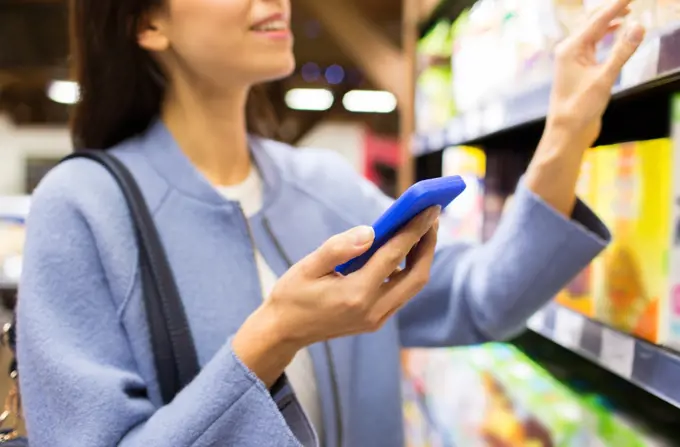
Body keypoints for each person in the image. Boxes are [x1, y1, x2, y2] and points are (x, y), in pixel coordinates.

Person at [16, 0, 644, 445]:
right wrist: (273, 337)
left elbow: (482, 300)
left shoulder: (325, 186)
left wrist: (567, 129)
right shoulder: (80, 210)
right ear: (148, 22)